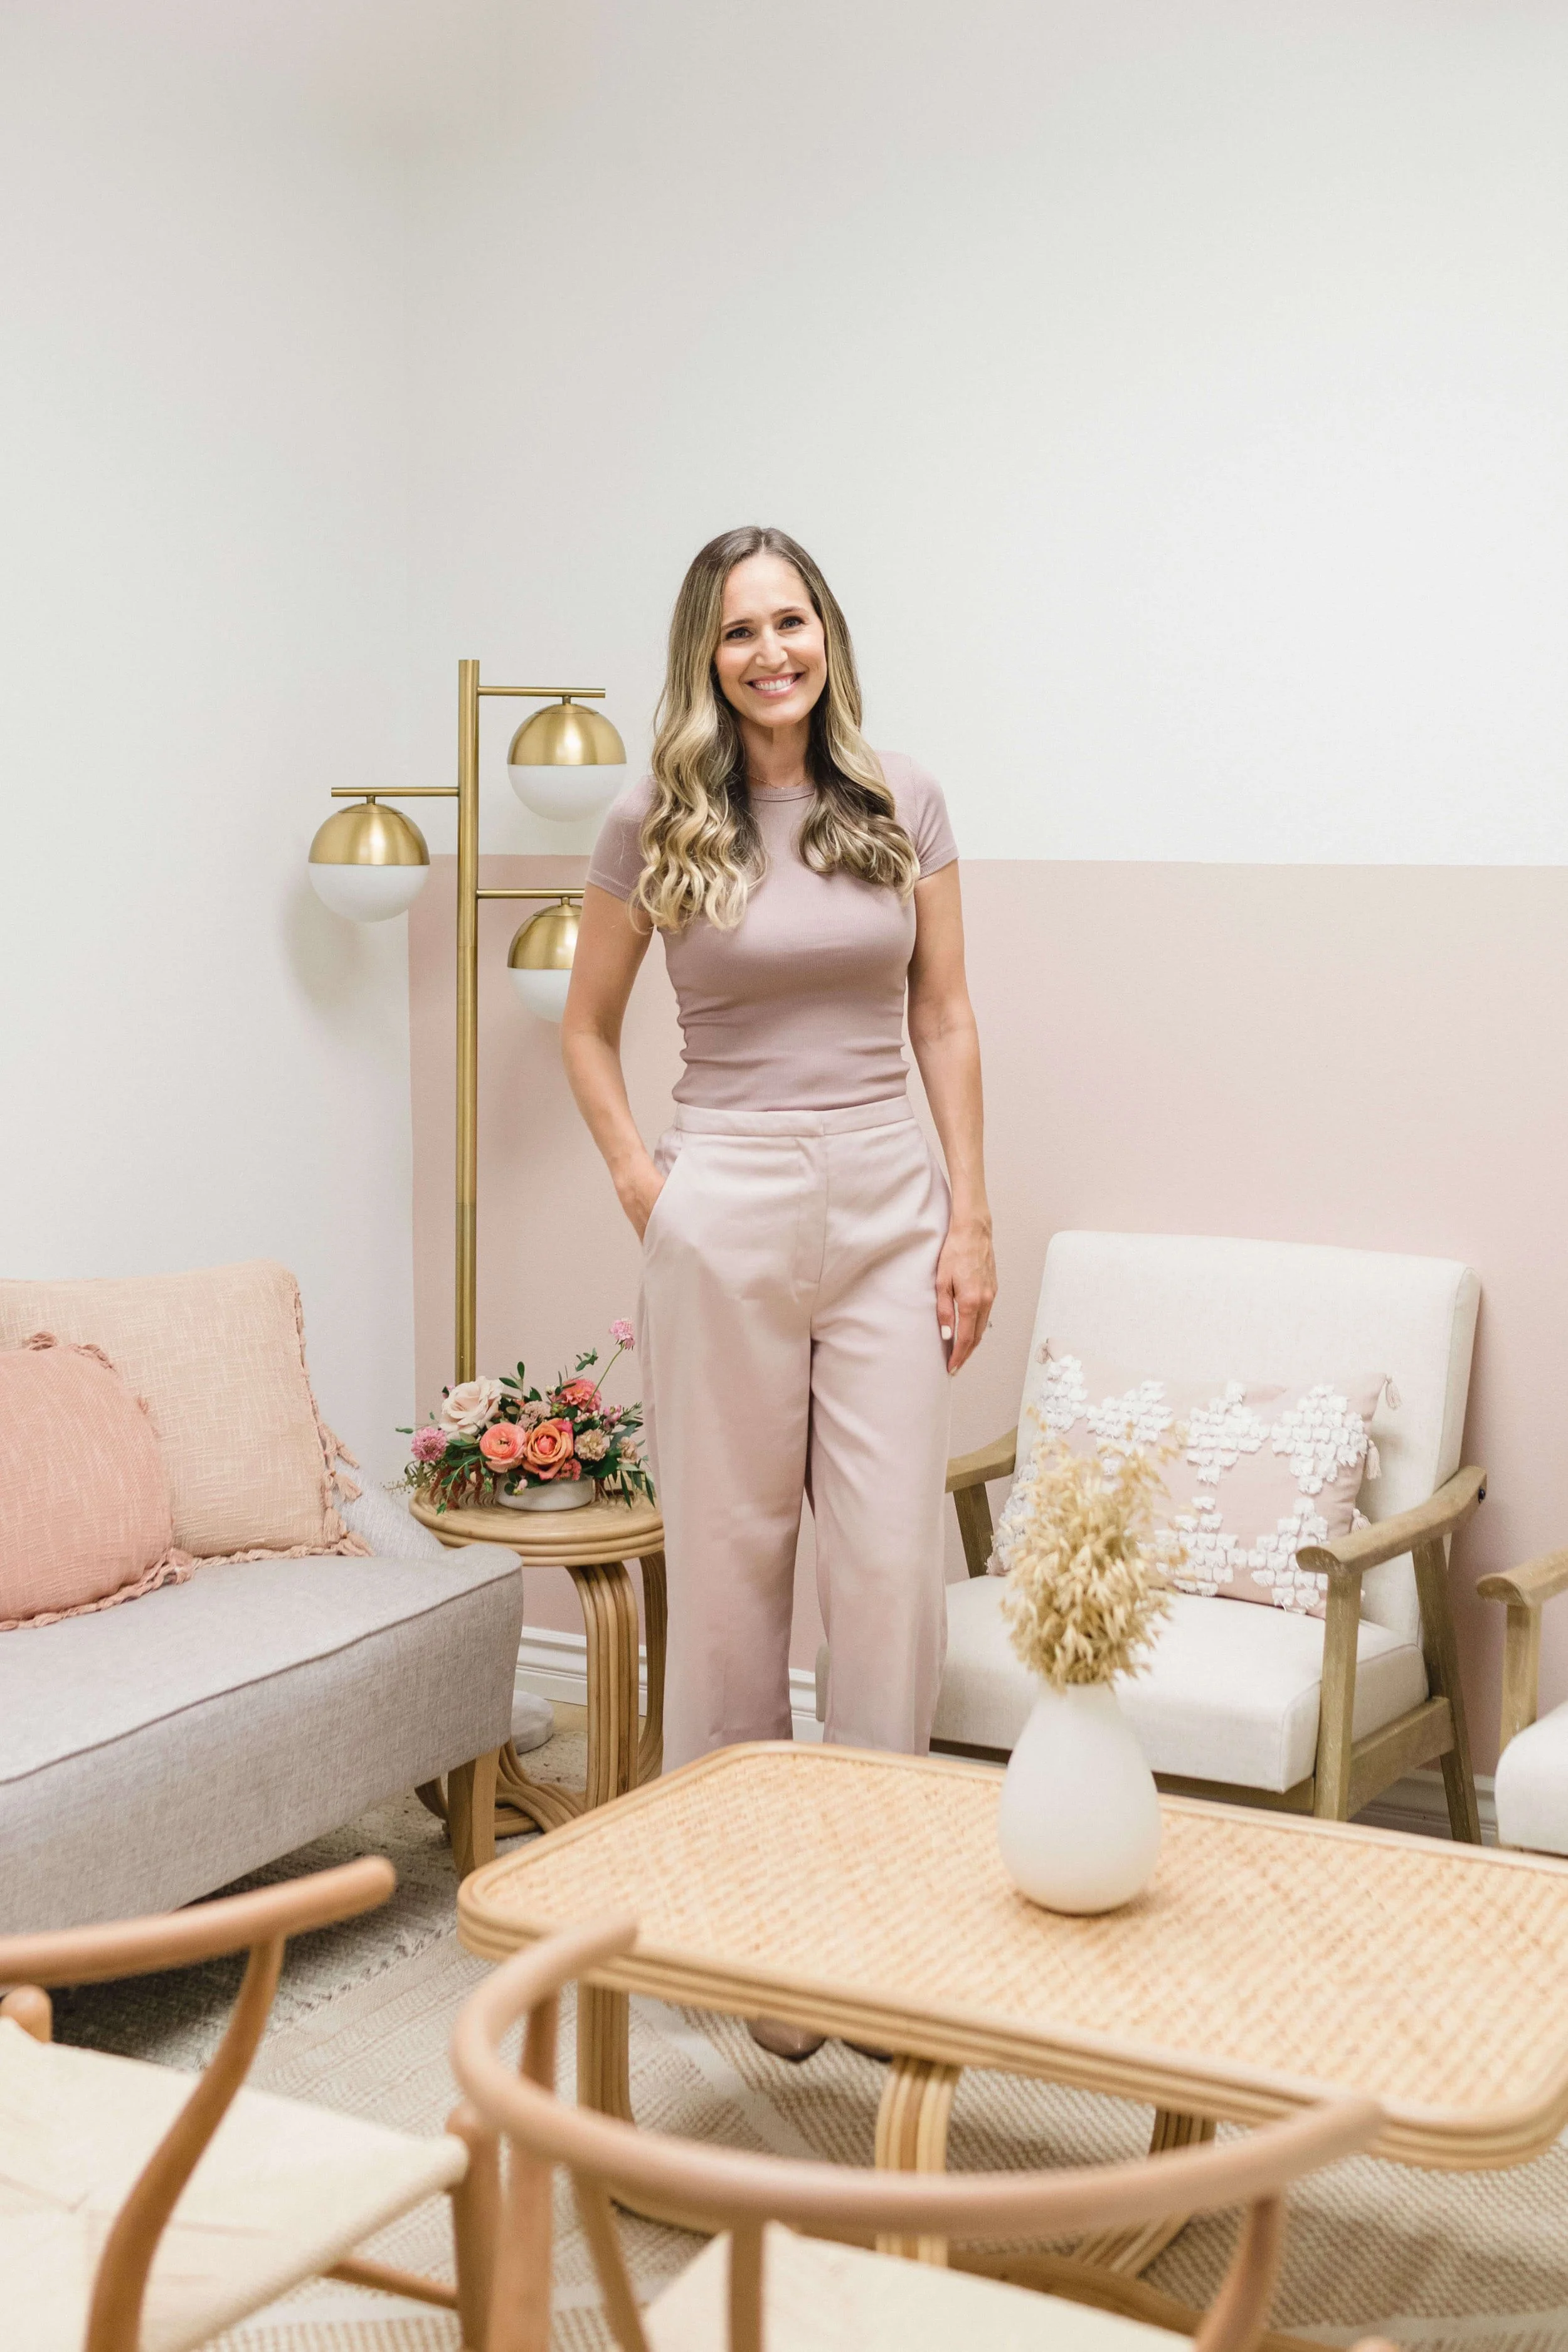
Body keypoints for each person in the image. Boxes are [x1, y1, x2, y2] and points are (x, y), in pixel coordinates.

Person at [563, 524, 995, 1788]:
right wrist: (649, 1188)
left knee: (888, 1573)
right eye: (740, 630)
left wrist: (968, 1220)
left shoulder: (899, 797)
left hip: (888, 1205)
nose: (769, 651)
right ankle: (726, 1900)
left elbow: (944, 1015)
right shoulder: (651, 815)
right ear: (706, 656)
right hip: (725, 1198)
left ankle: (865, 1895)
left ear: (827, 637)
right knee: (724, 1569)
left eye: (789, 621)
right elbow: (584, 1029)